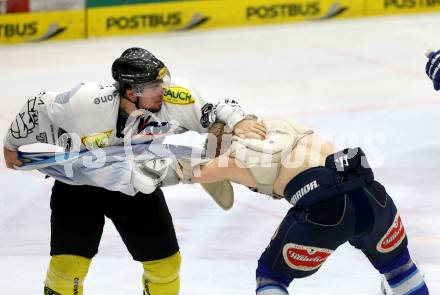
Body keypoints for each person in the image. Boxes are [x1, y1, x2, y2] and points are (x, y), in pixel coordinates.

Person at [22, 117, 430, 295]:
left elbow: (178, 173)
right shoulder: (278, 125)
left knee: (270, 277)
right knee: (400, 269)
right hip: (372, 194)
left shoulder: (230, 159)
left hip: (323, 211)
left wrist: (109, 162)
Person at [2, 47, 266, 295]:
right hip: (78, 188)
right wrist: (12, 145)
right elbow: (37, 105)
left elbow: (216, 111)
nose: (162, 90)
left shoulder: (176, 97)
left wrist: (238, 120)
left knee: (166, 266)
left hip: (136, 185)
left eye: (162, 80)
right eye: (153, 86)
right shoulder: (86, 102)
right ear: (130, 92)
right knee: (67, 268)